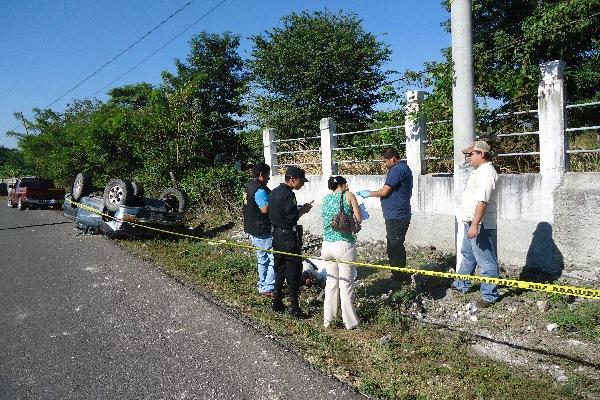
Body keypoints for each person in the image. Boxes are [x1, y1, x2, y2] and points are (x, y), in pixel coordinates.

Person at [451, 140, 499, 308]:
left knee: (487, 261)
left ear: (482, 154)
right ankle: (461, 284)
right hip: (471, 222)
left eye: (471, 154)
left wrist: (475, 225)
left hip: (480, 225)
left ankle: (489, 295)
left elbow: (482, 202)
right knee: (468, 254)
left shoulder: (487, 173)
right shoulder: (479, 172)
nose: (468, 158)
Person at [357, 148, 413, 280]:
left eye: (385, 161)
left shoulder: (397, 169)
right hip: (396, 214)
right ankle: (399, 274)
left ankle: (399, 277)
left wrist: (368, 193)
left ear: (393, 158)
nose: (385, 164)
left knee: (395, 246)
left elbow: (384, 192)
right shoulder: (402, 168)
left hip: (397, 216)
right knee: (394, 244)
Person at [268, 166, 313, 318]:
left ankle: (277, 301)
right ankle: (294, 308)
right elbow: (291, 218)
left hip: (276, 236)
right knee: (293, 271)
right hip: (288, 237)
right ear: (292, 179)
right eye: (301, 181)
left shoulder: (274, 192)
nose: (302, 184)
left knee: (279, 269)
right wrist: (303, 210)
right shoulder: (289, 195)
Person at [321, 176, 361, 330]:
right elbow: (359, 218)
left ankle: (328, 321)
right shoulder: (348, 195)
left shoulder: (324, 199)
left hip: (327, 246)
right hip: (344, 245)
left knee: (331, 284)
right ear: (343, 185)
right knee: (346, 285)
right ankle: (350, 322)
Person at [243, 163, 275, 297]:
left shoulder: (249, 186)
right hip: (261, 229)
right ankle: (268, 287)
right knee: (273, 258)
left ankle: (262, 285)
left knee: (262, 258)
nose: (268, 178)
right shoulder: (259, 190)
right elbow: (264, 209)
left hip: (251, 228)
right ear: (261, 175)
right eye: (267, 175)